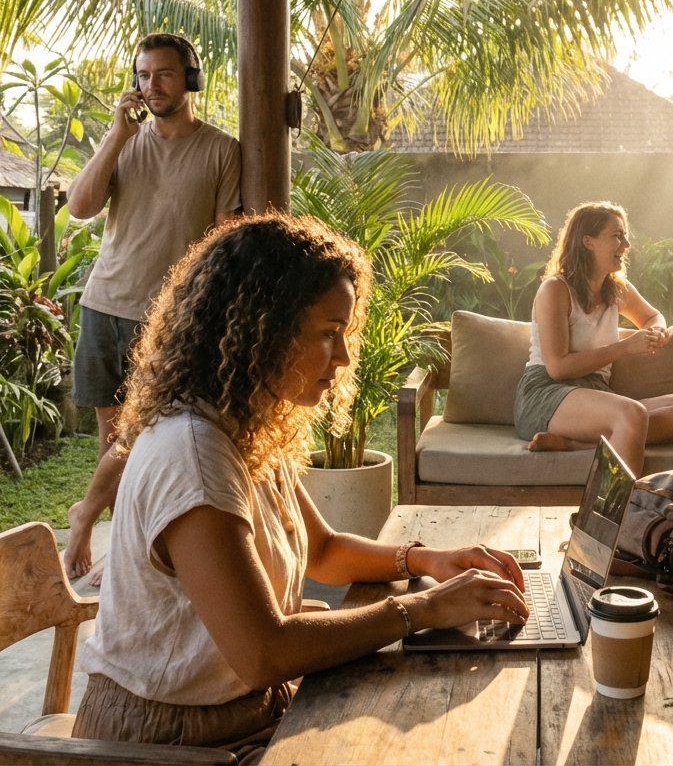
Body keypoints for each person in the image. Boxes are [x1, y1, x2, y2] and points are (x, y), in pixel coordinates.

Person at [71, 212, 529, 759]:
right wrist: (423, 611)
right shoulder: (193, 455)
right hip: (172, 741)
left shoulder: (241, 425)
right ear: (261, 328)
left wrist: (425, 560)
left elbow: (324, 551)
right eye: (329, 334)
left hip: (243, 711)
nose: (342, 358)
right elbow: (264, 651)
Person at [63, 33, 242, 582]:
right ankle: (122, 550)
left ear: (191, 79)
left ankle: (88, 515)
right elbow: (79, 208)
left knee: (142, 436)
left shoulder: (220, 150)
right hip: (104, 304)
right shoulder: (124, 143)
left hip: (168, 318)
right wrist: (116, 135)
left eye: (163, 74)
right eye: (142, 75)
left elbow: (224, 239)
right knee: (112, 434)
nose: (150, 86)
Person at [513, 201, 673, 475]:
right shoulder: (555, 289)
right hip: (546, 393)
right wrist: (624, 347)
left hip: (596, 393)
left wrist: (657, 331)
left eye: (625, 236)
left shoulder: (616, 289)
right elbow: (557, 367)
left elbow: (653, 317)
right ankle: (619, 515)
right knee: (632, 414)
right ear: (587, 242)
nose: (626, 245)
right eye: (617, 236)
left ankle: (572, 444)